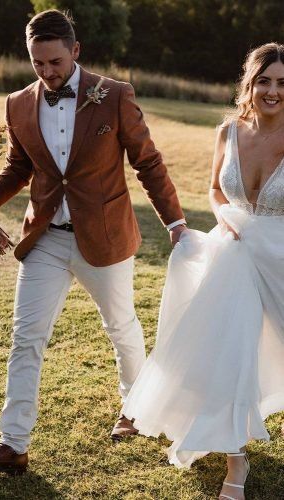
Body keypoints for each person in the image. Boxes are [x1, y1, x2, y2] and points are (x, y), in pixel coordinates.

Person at [0, 9, 186, 475]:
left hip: (104, 236)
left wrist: (176, 223)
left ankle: (135, 410)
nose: (47, 72)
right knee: (26, 339)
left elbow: (148, 162)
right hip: (45, 240)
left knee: (120, 327)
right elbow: (20, 167)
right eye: (38, 63)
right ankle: (12, 444)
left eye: (55, 62)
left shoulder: (114, 95)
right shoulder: (18, 102)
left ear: (75, 51)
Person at [121, 42, 284, 500]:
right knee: (227, 354)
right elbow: (215, 189)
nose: (272, 91)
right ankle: (237, 460)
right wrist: (225, 216)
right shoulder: (228, 132)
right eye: (264, 81)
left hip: (280, 255)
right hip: (232, 255)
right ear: (249, 85)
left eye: (282, 83)